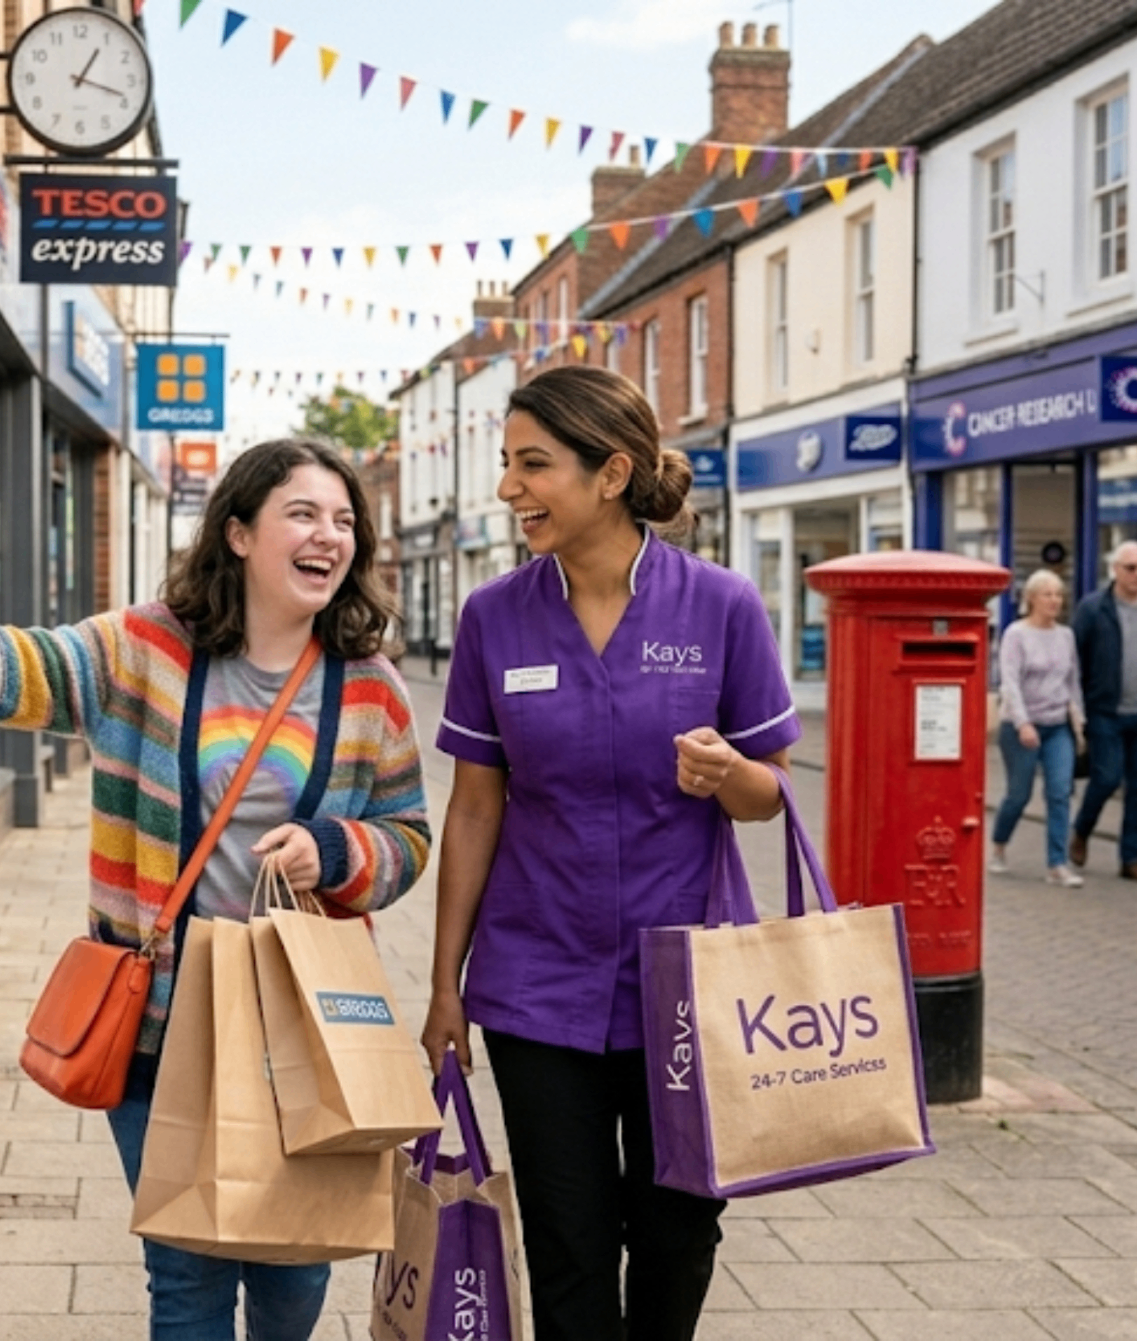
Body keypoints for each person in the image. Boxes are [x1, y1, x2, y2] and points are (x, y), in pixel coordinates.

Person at [0, 438, 431, 1340]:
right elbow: (25, 668)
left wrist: (340, 849)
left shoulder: (372, 692)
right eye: (304, 514)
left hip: (304, 1026)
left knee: (296, 1269)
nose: (330, 536)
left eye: (344, 521)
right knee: (187, 1271)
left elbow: (408, 839)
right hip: (164, 1022)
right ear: (239, 534)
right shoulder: (146, 649)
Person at [420, 365, 798, 1341]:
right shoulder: (493, 618)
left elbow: (770, 793)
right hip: (536, 986)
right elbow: (473, 810)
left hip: (688, 988)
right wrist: (444, 987)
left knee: (677, 1234)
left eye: (533, 465)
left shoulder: (720, 606)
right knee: (568, 1243)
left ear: (612, 472)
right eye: (507, 463)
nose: (509, 488)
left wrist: (727, 774)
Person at [1069, 540, 1137, 882]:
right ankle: (1082, 830)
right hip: (1106, 711)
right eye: (1130, 568)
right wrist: (1079, 706)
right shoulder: (1093, 609)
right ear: (1114, 569)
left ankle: (1132, 858)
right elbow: (1075, 660)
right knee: (1106, 778)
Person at [989, 569, 1084, 887]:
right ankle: (999, 846)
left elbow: (1073, 683)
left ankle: (1057, 864)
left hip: (1057, 725)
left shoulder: (1066, 636)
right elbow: (1010, 683)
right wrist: (1022, 722)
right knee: (1019, 794)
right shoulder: (1016, 634)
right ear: (1031, 599)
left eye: (1059, 594)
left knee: (1060, 792)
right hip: (1020, 727)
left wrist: (1078, 721)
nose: (1055, 600)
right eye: (1048, 594)